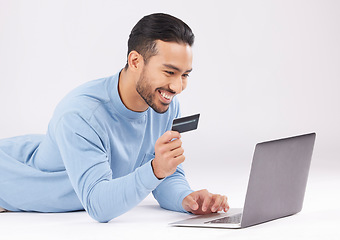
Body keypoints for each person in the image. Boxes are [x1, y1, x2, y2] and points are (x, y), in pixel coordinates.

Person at [0, 13, 229, 222]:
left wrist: (187, 199)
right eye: (169, 72)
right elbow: (99, 205)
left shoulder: (164, 104)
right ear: (135, 61)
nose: (177, 87)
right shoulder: (81, 114)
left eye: (185, 75)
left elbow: (164, 174)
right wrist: (156, 169)